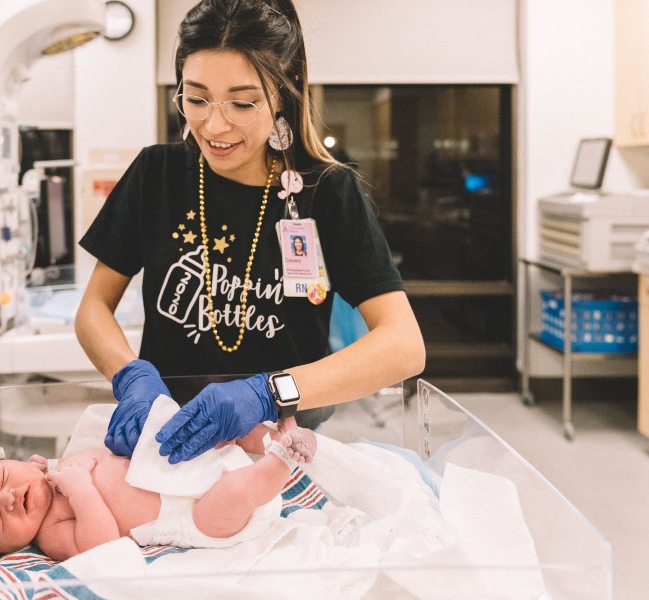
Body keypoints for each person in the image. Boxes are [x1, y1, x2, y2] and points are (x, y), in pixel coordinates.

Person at [75, 0, 425, 465]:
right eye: (196, 99)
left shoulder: (325, 192)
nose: (214, 126)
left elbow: (403, 346)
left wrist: (268, 391)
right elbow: (93, 308)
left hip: (279, 443)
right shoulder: (156, 174)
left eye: (242, 103)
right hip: (167, 434)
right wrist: (131, 377)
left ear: (284, 93)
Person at [0, 416, 316, 564]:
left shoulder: (54, 468)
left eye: (2, 479)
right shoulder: (51, 531)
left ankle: (269, 436)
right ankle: (283, 460)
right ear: (7, 550)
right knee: (239, 493)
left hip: (194, 465)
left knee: (223, 427)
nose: (8, 499)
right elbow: (102, 542)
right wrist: (77, 490)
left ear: (17, 460)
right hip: (192, 516)